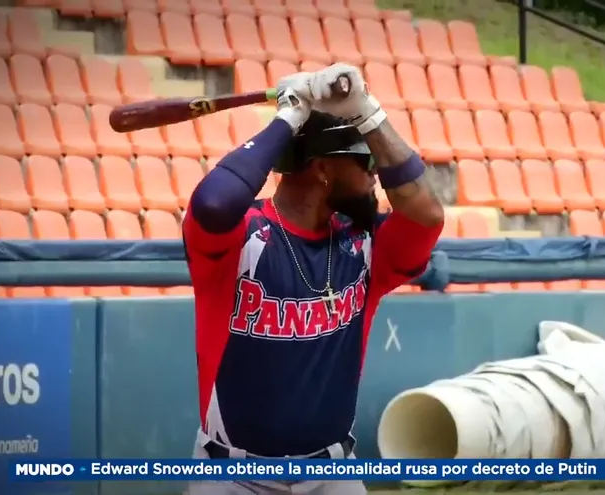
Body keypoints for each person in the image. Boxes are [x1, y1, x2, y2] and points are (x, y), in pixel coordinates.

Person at [183, 64, 445, 495]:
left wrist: (368, 113)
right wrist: (289, 117)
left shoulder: (365, 243)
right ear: (324, 169)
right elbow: (212, 202)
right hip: (231, 477)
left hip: (331, 474)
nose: (377, 174)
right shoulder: (241, 237)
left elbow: (427, 213)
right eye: (367, 163)